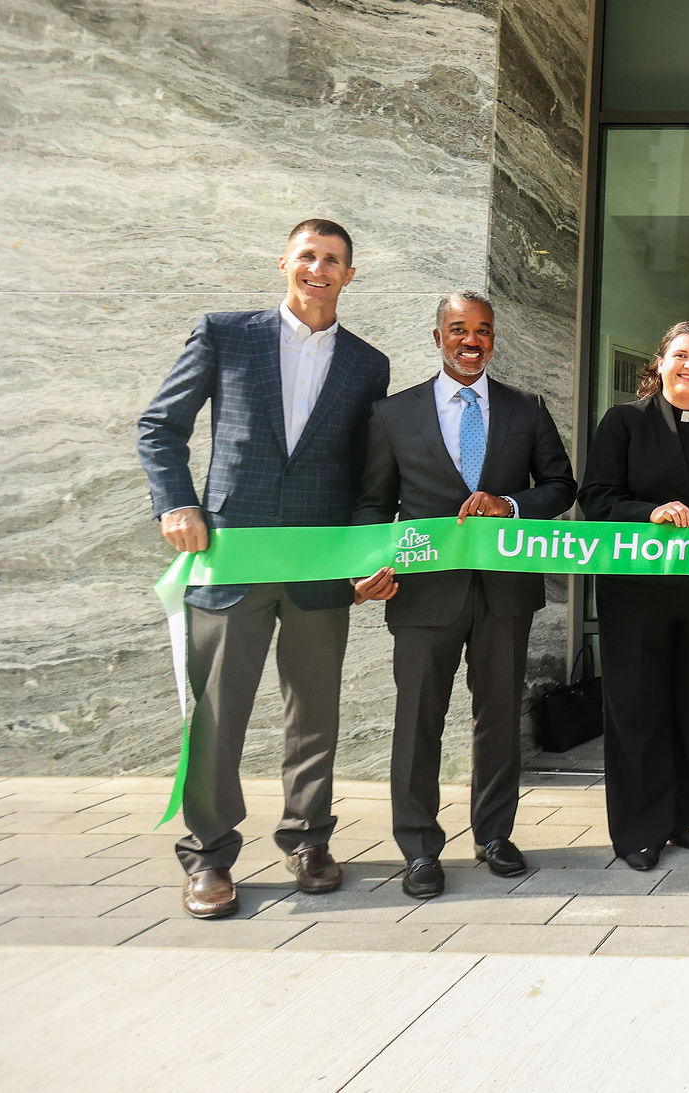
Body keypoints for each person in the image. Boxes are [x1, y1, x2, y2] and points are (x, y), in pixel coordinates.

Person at [136, 219, 391, 919]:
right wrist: (176, 502)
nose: (319, 268)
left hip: (318, 567)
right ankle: (210, 854)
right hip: (232, 558)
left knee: (314, 715)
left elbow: (369, 477)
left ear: (349, 274)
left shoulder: (369, 365)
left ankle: (309, 839)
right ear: (284, 261)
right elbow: (160, 425)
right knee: (218, 715)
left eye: (333, 260)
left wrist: (370, 555)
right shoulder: (226, 333)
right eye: (308, 255)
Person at [349, 291, 577, 899]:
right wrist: (366, 570)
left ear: (493, 340)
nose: (471, 340)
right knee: (418, 720)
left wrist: (512, 504)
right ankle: (420, 847)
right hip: (422, 594)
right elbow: (373, 505)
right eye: (458, 329)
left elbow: (560, 484)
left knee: (498, 718)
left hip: (505, 594)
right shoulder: (393, 416)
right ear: (437, 338)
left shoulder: (525, 409)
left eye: (482, 331)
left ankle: (494, 834)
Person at [579, 320, 689, 870]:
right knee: (636, 708)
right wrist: (649, 512)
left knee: (687, 708)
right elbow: (596, 497)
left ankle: (683, 817)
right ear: (659, 362)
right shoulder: (623, 422)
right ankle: (637, 831)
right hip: (637, 592)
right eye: (681, 355)